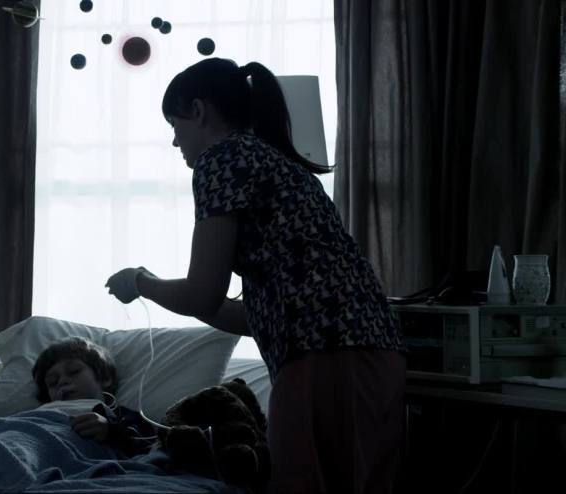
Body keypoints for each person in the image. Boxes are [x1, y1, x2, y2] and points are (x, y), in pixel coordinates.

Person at [106, 58, 406, 493]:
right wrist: (170, 292)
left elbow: (203, 294)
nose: (175, 141)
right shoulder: (277, 165)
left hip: (324, 358)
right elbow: (250, 317)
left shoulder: (223, 159)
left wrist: (140, 282)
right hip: (372, 354)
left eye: (175, 125)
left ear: (198, 110)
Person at [31, 336, 156, 458]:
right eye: (53, 382)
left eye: (74, 371)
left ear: (105, 378)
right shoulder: (40, 413)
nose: (62, 381)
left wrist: (111, 430)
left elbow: (148, 444)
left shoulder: (121, 416)